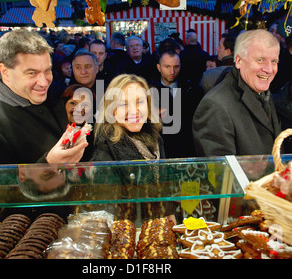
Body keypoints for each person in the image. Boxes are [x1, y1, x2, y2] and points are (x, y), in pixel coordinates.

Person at [0, 29, 88, 165]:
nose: (44, 81)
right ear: (5, 72)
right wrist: (48, 164)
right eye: (32, 73)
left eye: (47, 70)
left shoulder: (55, 101)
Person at [91, 74, 176, 222]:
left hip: (156, 228)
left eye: (139, 102)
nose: (133, 111)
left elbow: (162, 184)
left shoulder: (155, 138)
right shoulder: (105, 149)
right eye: (123, 104)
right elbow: (107, 212)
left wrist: (168, 211)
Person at [193, 29, 282, 157]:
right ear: (239, 61)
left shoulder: (262, 90)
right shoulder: (215, 105)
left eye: (274, 61)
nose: (269, 69)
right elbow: (220, 173)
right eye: (261, 60)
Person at [152, 50, 203, 158]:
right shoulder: (149, 92)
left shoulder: (192, 91)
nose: (172, 71)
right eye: (167, 67)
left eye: (176, 66)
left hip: (187, 150)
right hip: (160, 151)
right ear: (159, 67)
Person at [61, 84, 95, 162]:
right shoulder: (51, 134)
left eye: (85, 105)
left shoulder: (98, 139)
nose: (79, 109)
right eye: (73, 103)